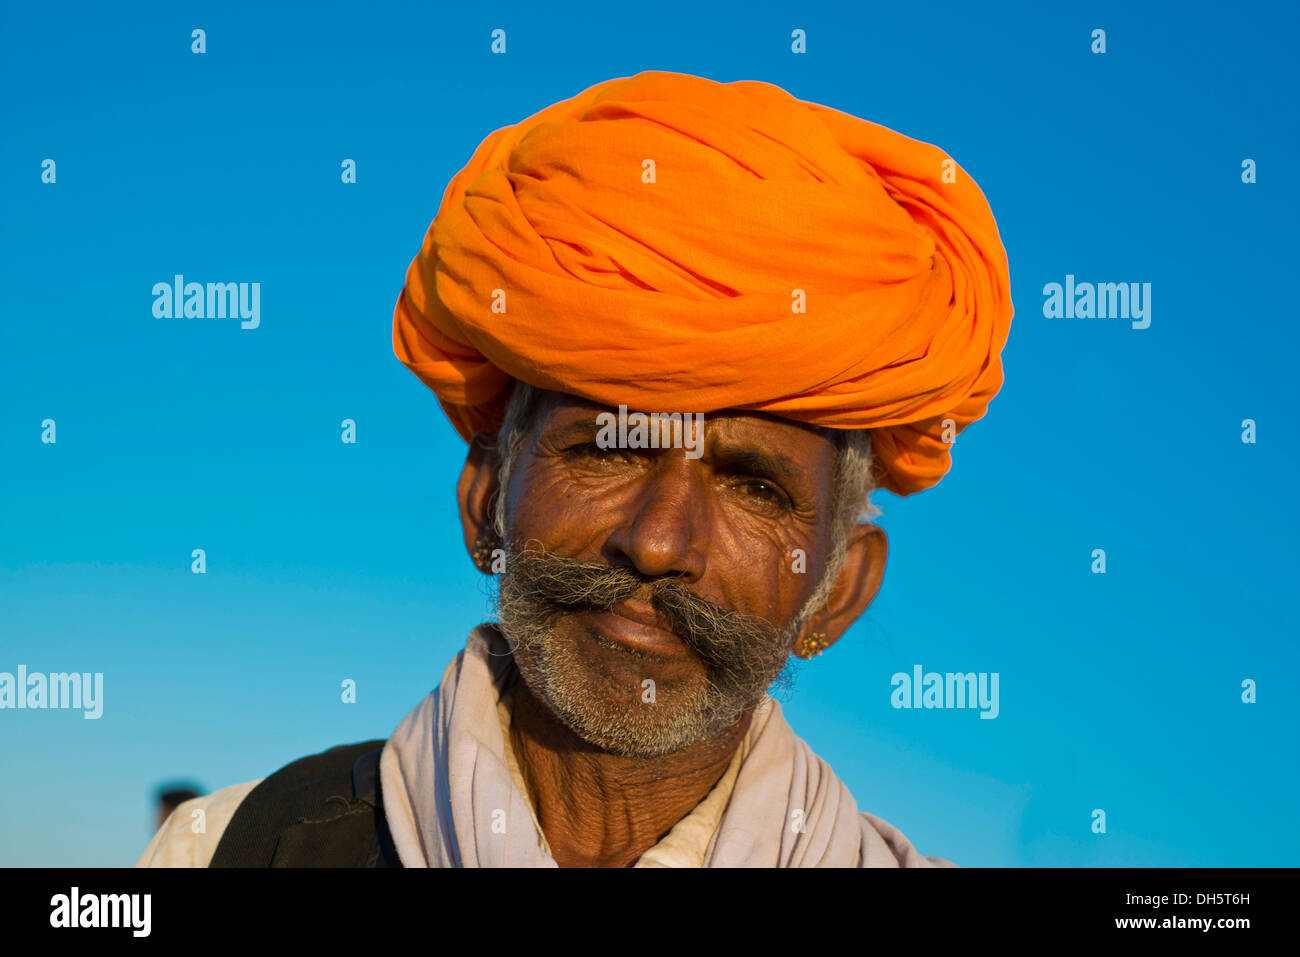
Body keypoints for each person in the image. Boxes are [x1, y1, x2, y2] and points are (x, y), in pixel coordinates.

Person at [137, 69, 1013, 868]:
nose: (660, 542)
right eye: (607, 450)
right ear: (487, 501)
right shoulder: (235, 852)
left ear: (840, 589)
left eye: (755, 487)